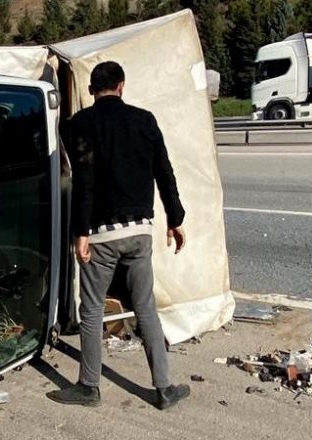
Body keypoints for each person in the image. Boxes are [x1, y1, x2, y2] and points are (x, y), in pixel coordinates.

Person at [47, 61, 190, 410]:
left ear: (93, 90)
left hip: (100, 234)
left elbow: (84, 182)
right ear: (122, 86)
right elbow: (164, 172)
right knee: (145, 309)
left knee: (93, 308)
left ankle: (88, 386)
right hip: (140, 231)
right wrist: (175, 218)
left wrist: (79, 232)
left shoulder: (79, 124)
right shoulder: (145, 120)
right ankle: (164, 388)